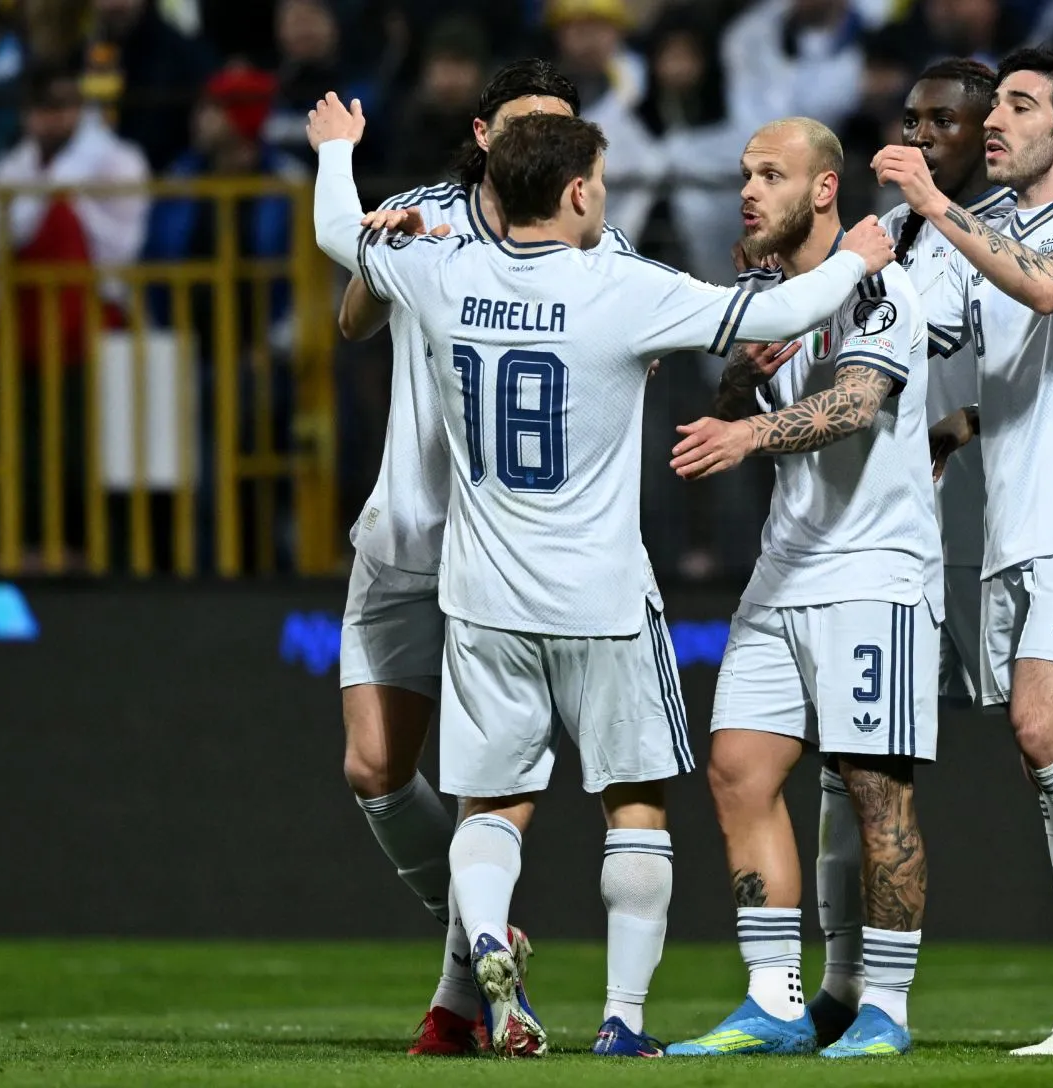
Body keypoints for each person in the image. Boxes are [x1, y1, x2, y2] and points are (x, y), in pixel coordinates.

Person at [311, 97, 895, 1057]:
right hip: (603, 600)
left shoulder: (441, 269)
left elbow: (340, 233)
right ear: (579, 191)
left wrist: (338, 153)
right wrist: (858, 260)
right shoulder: (620, 286)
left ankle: (491, 941)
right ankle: (623, 1020)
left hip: (483, 599)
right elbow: (787, 307)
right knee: (634, 802)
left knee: (492, 805)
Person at [322, 60, 646, 1059]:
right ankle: (475, 927)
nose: (536, 149)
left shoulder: (597, 239)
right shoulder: (422, 212)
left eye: (557, 131)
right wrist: (388, 265)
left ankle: (462, 991)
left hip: (499, 554)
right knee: (374, 766)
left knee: (480, 786)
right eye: (519, 130)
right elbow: (351, 316)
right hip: (401, 527)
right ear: (480, 135)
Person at [872, 45, 1053, 1056]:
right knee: (1050, 767)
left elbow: (1050, 292)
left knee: (1045, 729)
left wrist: (935, 211)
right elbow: (932, 334)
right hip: (1011, 528)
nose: (993, 124)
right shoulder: (974, 228)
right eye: (991, 109)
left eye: (1019, 109)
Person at [663, 117, 936, 1061]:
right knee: (738, 768)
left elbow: (857, 403)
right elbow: (743, 393)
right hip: (786, 568)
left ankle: (886, 1009)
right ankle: (775, 1002)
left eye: (771, 175)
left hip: (874, 572)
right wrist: (742, 381)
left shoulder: (880, 292)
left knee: (875, 790)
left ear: (825, 190)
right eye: (744, 172)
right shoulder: (771, 299)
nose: (749, 191)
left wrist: (741, 437)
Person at [801, 56, 1015, 1051]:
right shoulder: (895, 235)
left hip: (993, 525)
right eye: (913, 117)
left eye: (945, 120)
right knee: (850, 763)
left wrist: (958, 426)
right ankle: (844, 986)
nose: (922, 135)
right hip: (896, 527)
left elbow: (1029, 371)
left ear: (987, 134)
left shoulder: (1013, 232)